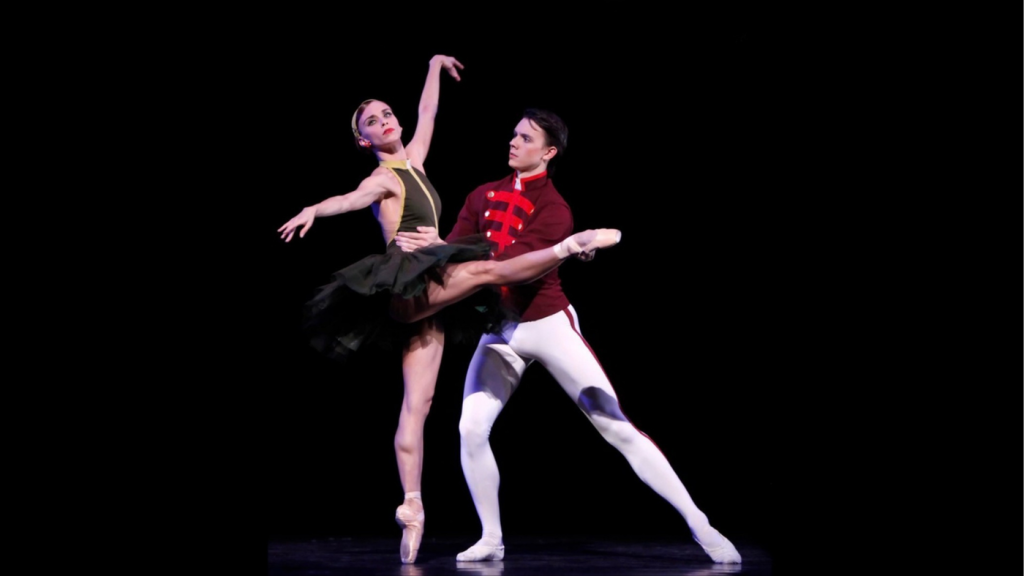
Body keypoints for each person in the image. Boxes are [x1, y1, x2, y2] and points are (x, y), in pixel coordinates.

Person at [277, 59, 621, 565]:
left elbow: (428, 112)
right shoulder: (382, 178)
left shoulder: (413, 158)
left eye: (386, 113)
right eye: (371, 121)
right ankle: (569, 247)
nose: (385, 121)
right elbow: (350, 199)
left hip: (430, 292)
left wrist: (435, 65)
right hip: (409, 287)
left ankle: (412, 507)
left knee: (420, 403)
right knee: (485, 270)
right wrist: (314, 209)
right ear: (363, 141)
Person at [394, 108, 742, 564]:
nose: (513, 142)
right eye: (514, 134)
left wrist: (453, 248)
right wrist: (435, 249)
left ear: (549, 151)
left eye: (526, 137)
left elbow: (512, 266)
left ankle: (702, 525)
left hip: (547, 324)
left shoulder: (555, 208)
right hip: (500, 330)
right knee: (471, 428)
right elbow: (459, 258)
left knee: (616, 427)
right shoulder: (483, 194)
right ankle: (492, 538)